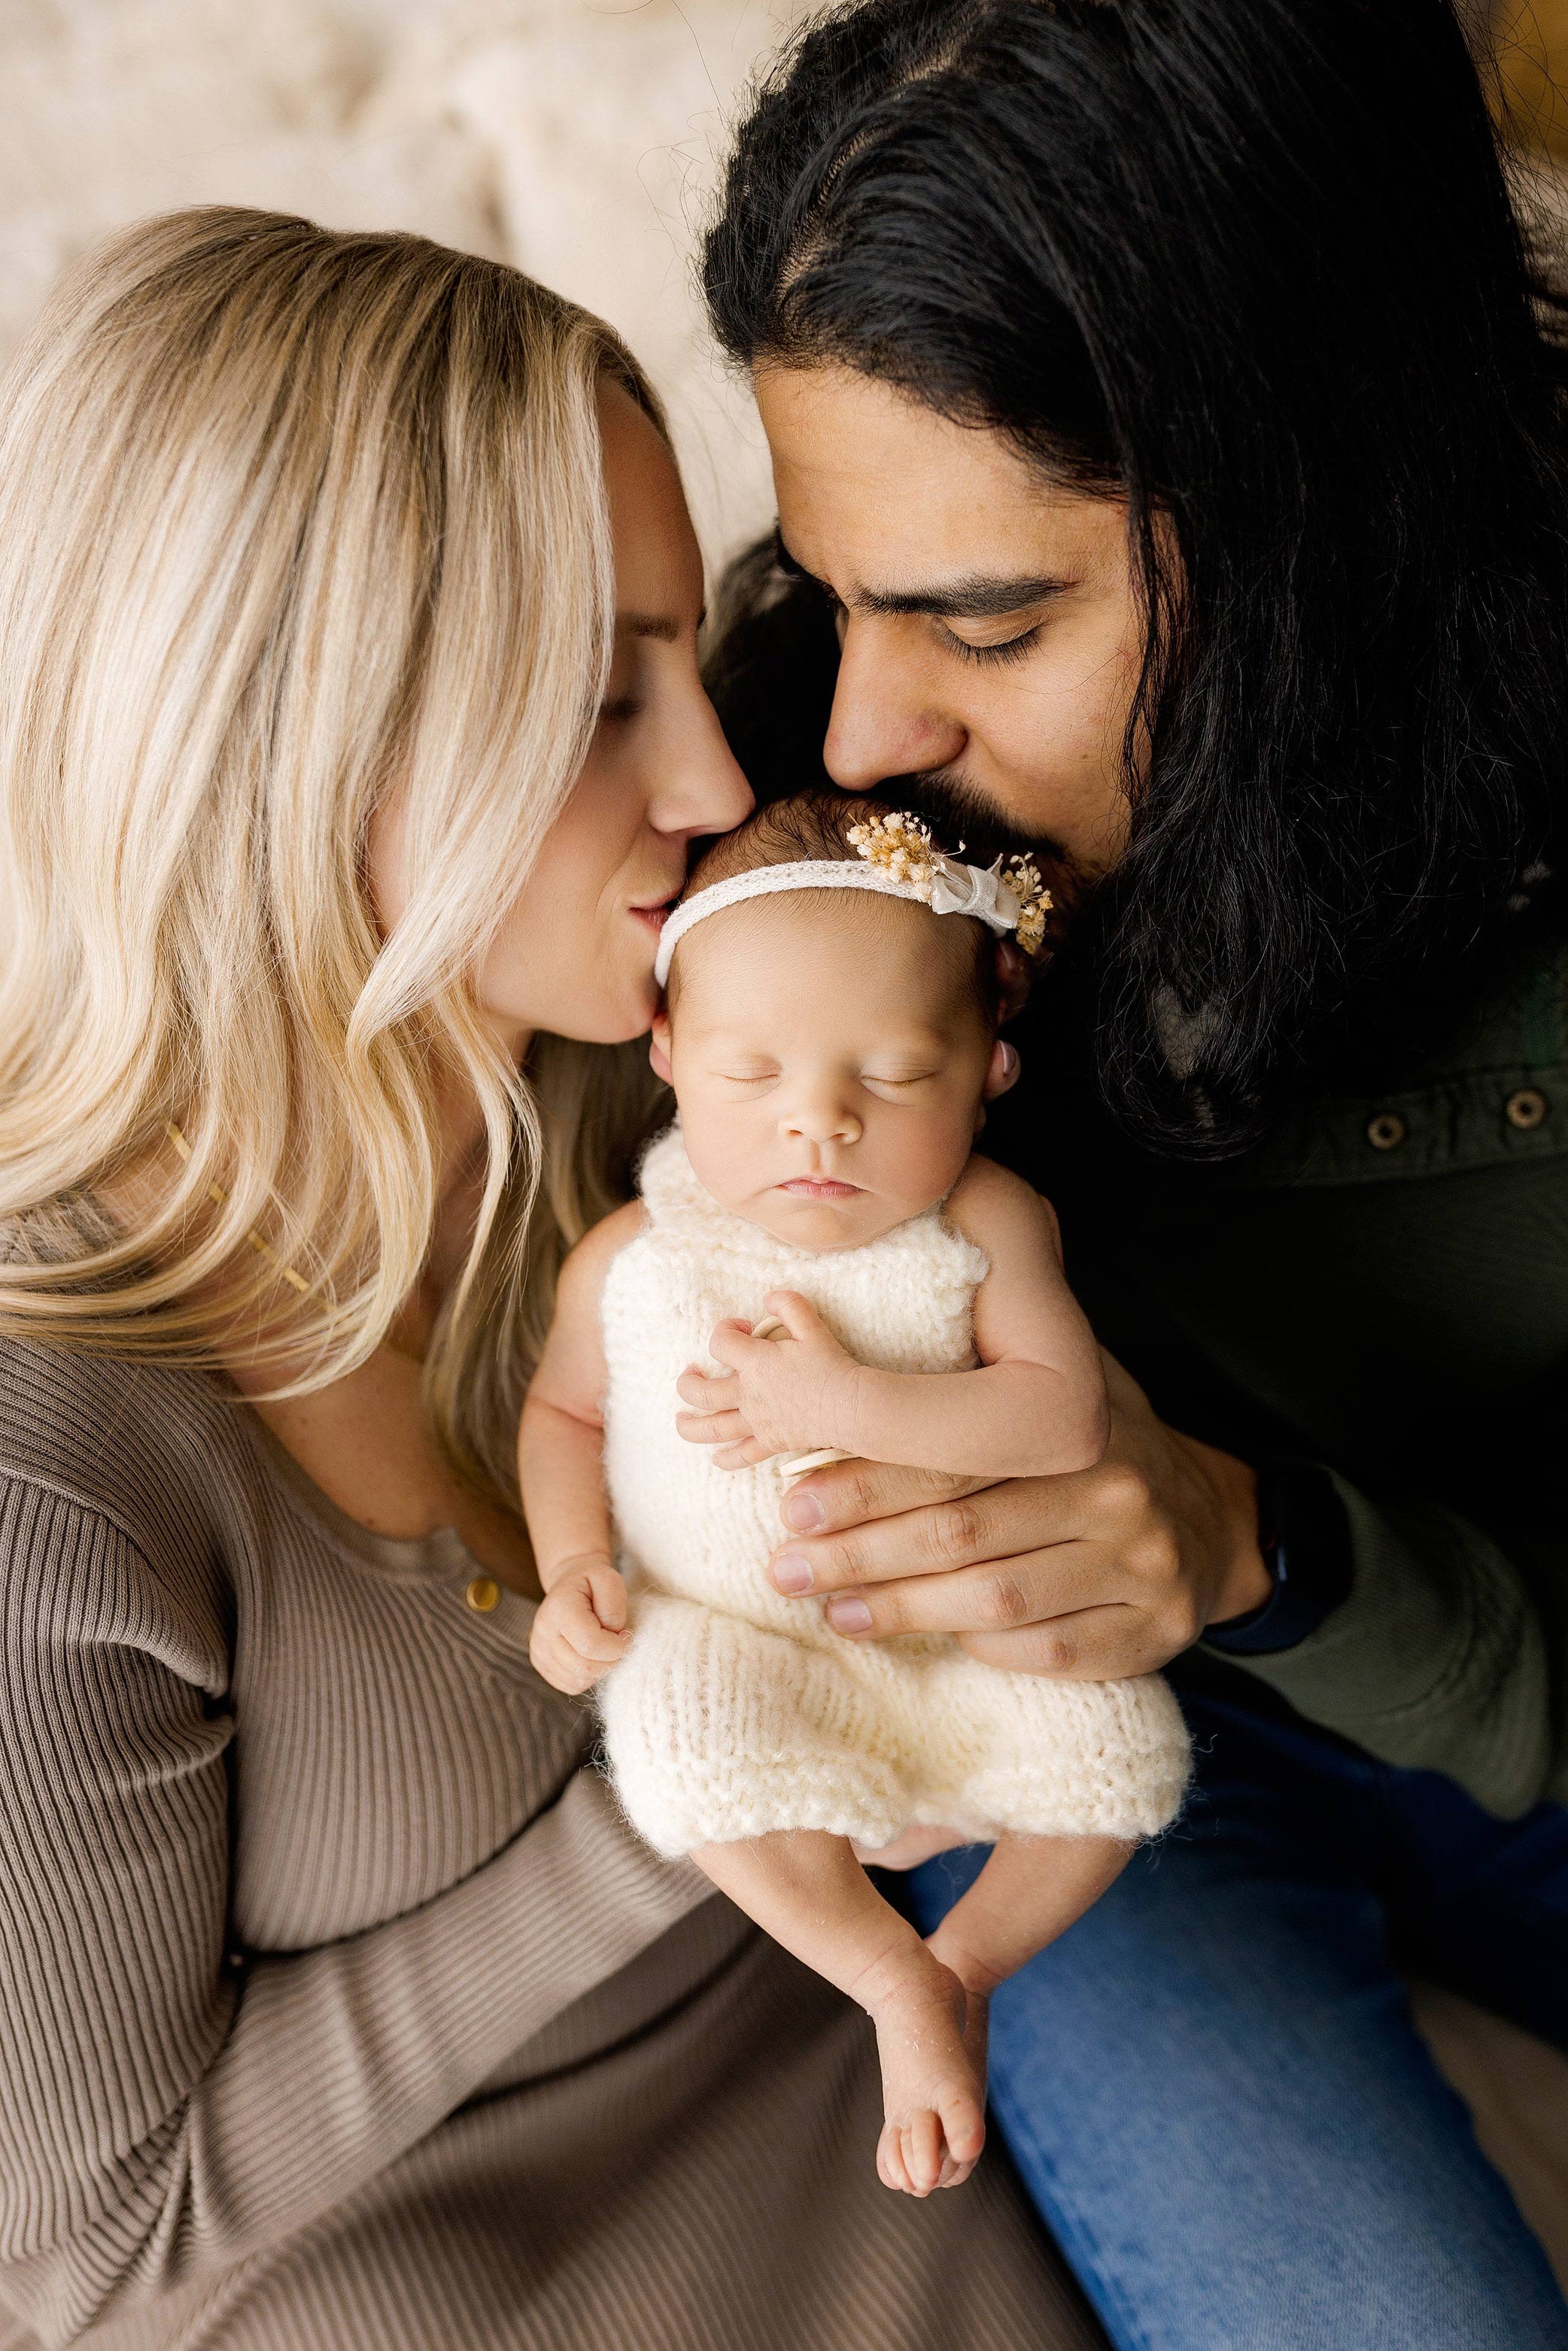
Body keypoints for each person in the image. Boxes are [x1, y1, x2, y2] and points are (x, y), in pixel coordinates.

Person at [0, 206, 1105, 2351]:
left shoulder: (655, 1109)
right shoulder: (60, 1453)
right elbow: (80, 2251)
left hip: (919, 2099)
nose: (711, 791)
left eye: (686, 663)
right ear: (284, 741)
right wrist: (680, 1790)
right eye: (605, 696)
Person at [699, 2, 1568, 2346]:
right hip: (1068, 1766)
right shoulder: (799, 779)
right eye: (833, 582)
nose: (869, 728)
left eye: (988, 619)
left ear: (1329, 520)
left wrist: (1249, 1543)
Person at [522, 790, 1188, 2198]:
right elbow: (565, 1407)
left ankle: (968, 1962)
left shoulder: (987, 1222)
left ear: (988, 1066)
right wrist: (574, 1559)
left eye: (890, 1074)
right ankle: (883, 1969)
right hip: (743, 1632)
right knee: (675, 1727)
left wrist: (835, 1405)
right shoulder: (634, 1255)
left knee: (1116, 1754)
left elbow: (1061, 1414)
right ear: (668, 1056)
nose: (818, 1124)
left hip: (966, 1637)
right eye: (752, 1072)